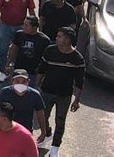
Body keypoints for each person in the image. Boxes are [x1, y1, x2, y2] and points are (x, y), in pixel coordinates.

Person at [36, 27, 85, 157]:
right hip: (46, 91)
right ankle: (47, 134)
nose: (56, 38)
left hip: (64, 95)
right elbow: (41, 70)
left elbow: (80, 81)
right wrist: (35, 88)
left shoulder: (77, 59)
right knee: (42, 117)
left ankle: (55, 146)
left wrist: (77, 100)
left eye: (59, 36)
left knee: (60, 121)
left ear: (68, 39)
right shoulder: (50, 51)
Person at [0, 69, 46, 142]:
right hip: (8, 130)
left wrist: (43, 132)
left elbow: (40, 114)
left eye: (24, 82)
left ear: (28, 82)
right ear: (12, 81)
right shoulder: (5, 92)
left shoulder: (35, 95)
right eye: (17, 81)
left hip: (26, 131)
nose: (20, 84)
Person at [6, 15, 50, 82]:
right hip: (18, 70)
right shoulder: (19, 34)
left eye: (26, 25)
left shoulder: (44, 40)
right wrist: (8, 64)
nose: (23, 27)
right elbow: (13, 50)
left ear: (35, 27)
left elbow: (46, 58)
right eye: (23, 24)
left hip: (33, 72)